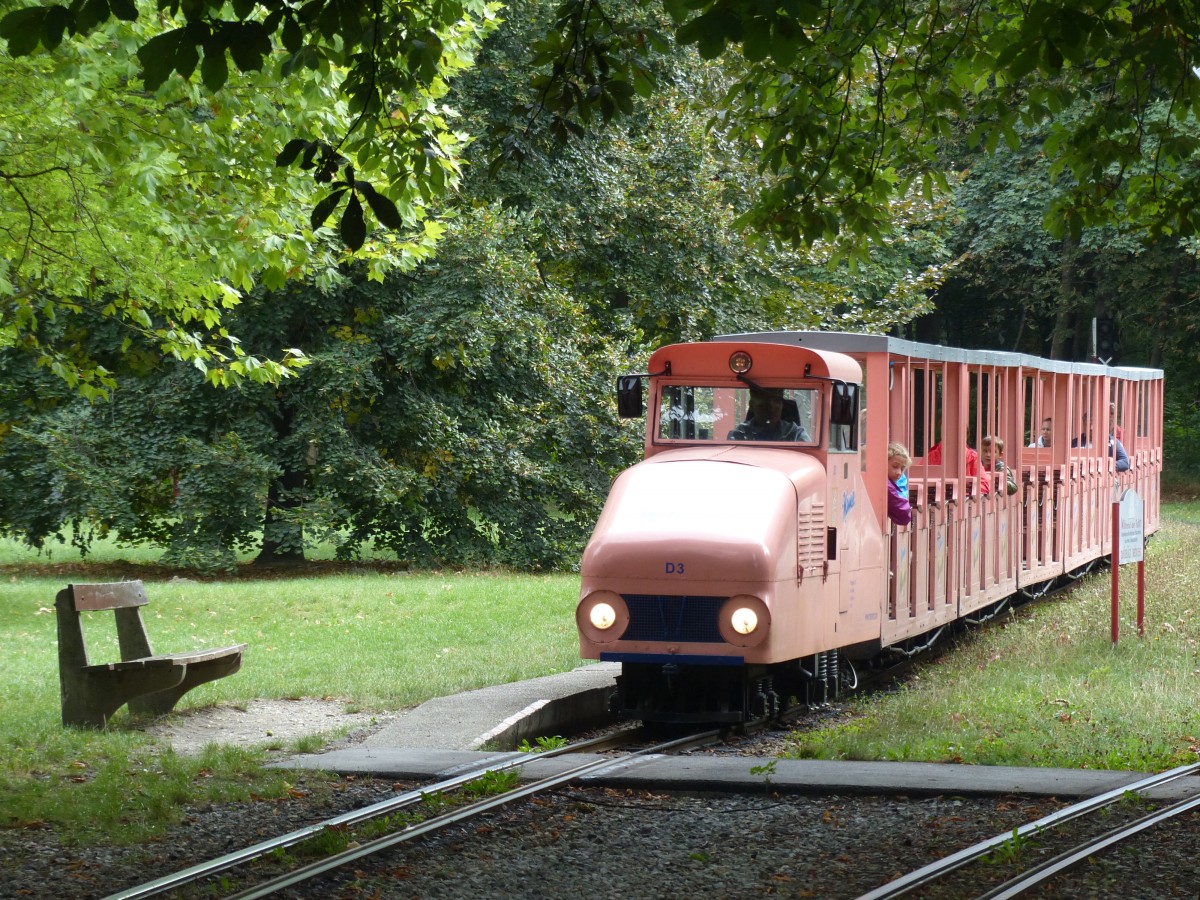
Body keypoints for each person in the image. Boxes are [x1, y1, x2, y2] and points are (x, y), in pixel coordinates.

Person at [728, 388, 809, 442]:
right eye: (763, 406)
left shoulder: (796, 434)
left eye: (776, 406)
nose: (771, 411)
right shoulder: (740, 434)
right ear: (752, 406)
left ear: (782, 406)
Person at [887, 442, 912, 526]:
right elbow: (904, 515)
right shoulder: (887, 485)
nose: (899, 472)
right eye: (895, 467)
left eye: (902, 468)